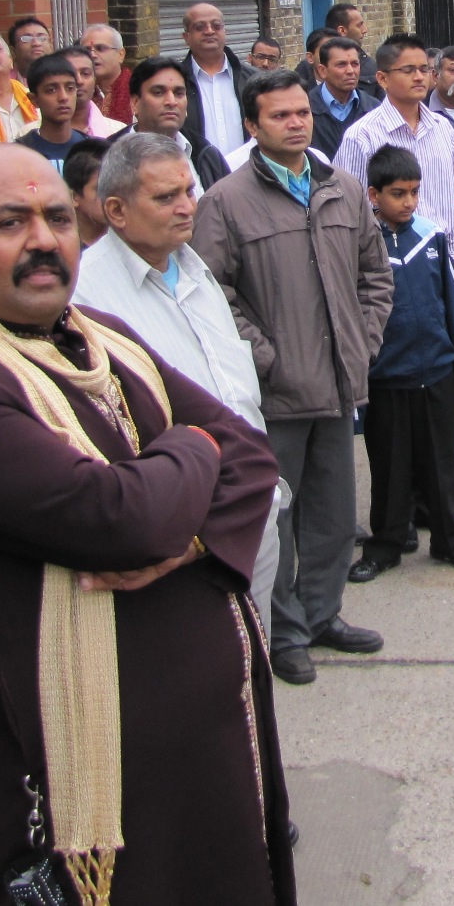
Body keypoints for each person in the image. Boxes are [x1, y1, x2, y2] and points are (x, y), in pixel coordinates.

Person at [0, 145, 292, 905]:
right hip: (82, 792)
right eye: (8, 222)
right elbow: (121, 520)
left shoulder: (96, 336)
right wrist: (195, 446)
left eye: (57, 217)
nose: (42, 240)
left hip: (205, 759)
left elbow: (253, 458)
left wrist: (186, 529)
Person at [192, 70, 393, 687]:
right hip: (274, 393)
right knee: (274, 520)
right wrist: (264, 356)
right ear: (252, 126)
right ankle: (284, 633)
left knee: (332, 512)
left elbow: (375, 276)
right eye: (280, 116)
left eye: (302, 112)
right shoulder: (225, 201)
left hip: (337, 384)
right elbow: (210, 291)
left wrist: (361, 341)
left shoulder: (343, 188)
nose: (297, 123)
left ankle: (323, 612)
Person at [73, 133, 283, 627]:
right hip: (179, 531)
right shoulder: (86, 300)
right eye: (166, 197)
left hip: (250, 506)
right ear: (116, 211)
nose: (187, 206)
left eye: (188, 191)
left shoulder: (194, 269)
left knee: (254, 664)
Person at [349, 144, 454, 582]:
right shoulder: (359, 247)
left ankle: (450, 540)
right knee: (389, 468)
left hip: (437, 374)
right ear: (373, 195)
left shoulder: (430, 236)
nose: (409, 202)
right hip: (386, 378)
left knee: (440, 463)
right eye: (398, 193)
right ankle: (386, 544)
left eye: (414, 192)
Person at [332, 31, 454, 270]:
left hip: (444, 262)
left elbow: (453, 201)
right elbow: (350, 212)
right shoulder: (362, 136)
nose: (418, 77)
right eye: (407, 70)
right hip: (391, 267)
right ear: (382, 79)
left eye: (424, 69)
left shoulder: (443, 128)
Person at [129, 52, 231, 193]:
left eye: (179, 93)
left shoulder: (207, 155)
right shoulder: (108, 156)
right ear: (135, 103)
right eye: (158, 92)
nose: (171, 102)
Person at [175, 1, 251, 156]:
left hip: (249, 173)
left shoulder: (253, 79)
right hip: (197, 175)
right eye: (199, 27)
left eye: (216, 26)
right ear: (186, 37)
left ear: (225, 31)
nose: (209, 31)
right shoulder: (175, 83)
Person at [15, 52, 89, 173]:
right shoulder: (20, 153)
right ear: (34, 99)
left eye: (70, 88)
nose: (63, 97)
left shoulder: (90, 150)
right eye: (51, 90)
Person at [309, 34, 380, 156]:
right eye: (341, 64)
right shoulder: (306, 109)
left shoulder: (374, 108)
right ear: (322, 70)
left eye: (355, 64)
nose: (350, 71)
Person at [63, 43, 128, 138]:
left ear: (95, 80)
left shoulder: (119, 132)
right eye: (70, 74)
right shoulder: (35, 131)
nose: (79, 81)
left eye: (85, 73)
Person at [64, 135, 113, 248]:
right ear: (73, 196)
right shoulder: (59, 250)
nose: (113, 196)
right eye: (102, 188)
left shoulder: (135, 245)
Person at [82, 22, 133, 124]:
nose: (92, 55)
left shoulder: (137, 89)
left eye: (100, 48)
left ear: (120, 55)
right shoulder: (78, 93)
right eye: (87, 50)